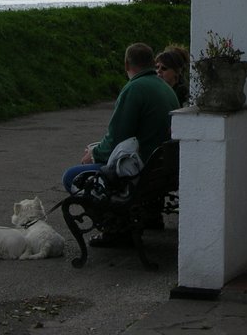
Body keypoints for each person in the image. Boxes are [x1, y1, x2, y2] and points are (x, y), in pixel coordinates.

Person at [61, 42, 179, 246]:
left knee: (72, 176)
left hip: (137, 173)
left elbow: (118, 137)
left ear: (127, 65)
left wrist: (94, 153)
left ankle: (115, 229)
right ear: (152, 63)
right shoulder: (166, 88)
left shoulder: (134, 89)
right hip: (158, 172)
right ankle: (148, 216)